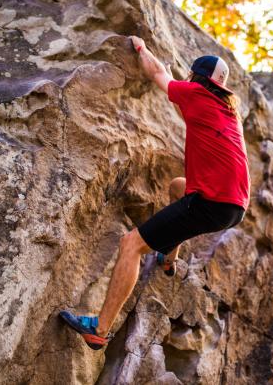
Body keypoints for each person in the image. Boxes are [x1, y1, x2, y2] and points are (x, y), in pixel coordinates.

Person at [59, 36, 250, 350]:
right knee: (178, 187)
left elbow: (159, 74)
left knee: (132, 244)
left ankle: (99, 329)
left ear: (197, 78)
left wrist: (141, 48)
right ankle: (169, 258)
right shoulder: (228, 110)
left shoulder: (196, 93)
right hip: (233, 206)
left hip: (211, 203)